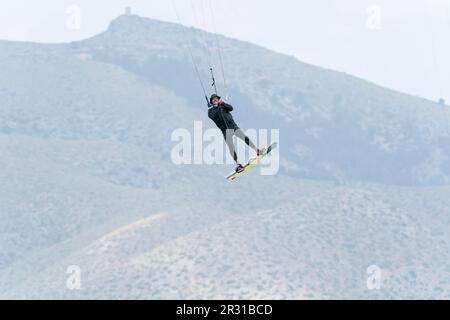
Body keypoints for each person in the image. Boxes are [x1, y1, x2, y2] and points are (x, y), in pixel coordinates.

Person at [207, 94, 264, 172]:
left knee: (245, 137)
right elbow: (213, 116)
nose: (215, 100)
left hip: (233, 126)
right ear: (212, 102)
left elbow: (231, 108)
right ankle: (238, 164)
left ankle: (257, 150)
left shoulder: (223, 106)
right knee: (231, 147)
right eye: (213, 100)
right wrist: (216, 107)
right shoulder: (211, 111)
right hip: (225, 131)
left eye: (216, 99)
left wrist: (222, 104)